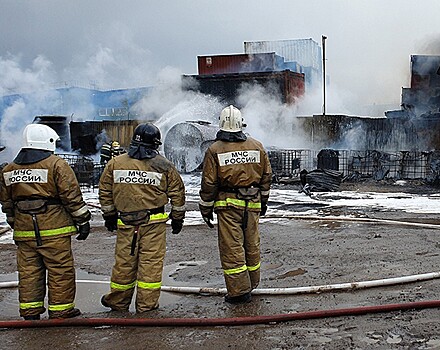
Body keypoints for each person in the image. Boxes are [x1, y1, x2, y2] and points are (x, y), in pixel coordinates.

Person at [0, 124, 91, 320]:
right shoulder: (56, 165)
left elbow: (6, 203)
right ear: (47, 141)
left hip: (24, 232)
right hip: (54, 230)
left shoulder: (9, 169)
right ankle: (61, 311)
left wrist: (16, 223)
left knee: (29, 273)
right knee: (60, 271)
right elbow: (71, 196)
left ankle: (30, 311)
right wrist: (83, 220)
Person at [99, 122, 186, 313]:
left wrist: (109, 215)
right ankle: (146, 306)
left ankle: (118, 302)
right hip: (153, 224)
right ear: (155, 143)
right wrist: (178, 217)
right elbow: (178, 193)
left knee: (124, 264)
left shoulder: (115, 163)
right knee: (150, 266)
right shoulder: (163, 165)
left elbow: (105, 191)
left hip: (126, 222)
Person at [199, 105, 272, 304]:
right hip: (253, 205)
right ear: (241, 124)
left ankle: (239, 292)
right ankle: (252, 283)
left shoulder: (215, 150)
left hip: (228, 207)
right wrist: (263, 202)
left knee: (232, 248)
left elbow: (209, 183)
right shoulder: (257, 146)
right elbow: (266, 177)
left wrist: (205, 209)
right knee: (251, 245)